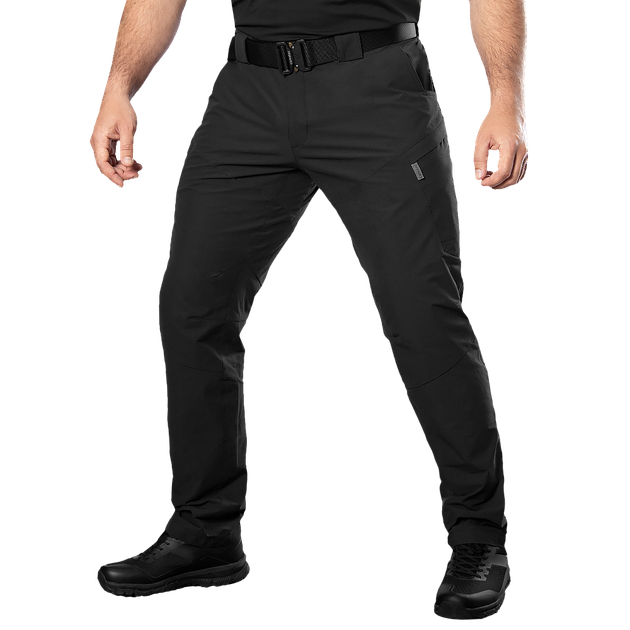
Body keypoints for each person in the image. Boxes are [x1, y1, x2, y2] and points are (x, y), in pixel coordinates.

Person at [89, 0, 529, 618]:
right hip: (249, 91)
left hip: (375, 82)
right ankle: (204, 531)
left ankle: (480, 535)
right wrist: (119, 86)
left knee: (423, 313)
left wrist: (506, 97)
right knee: (192, 306)